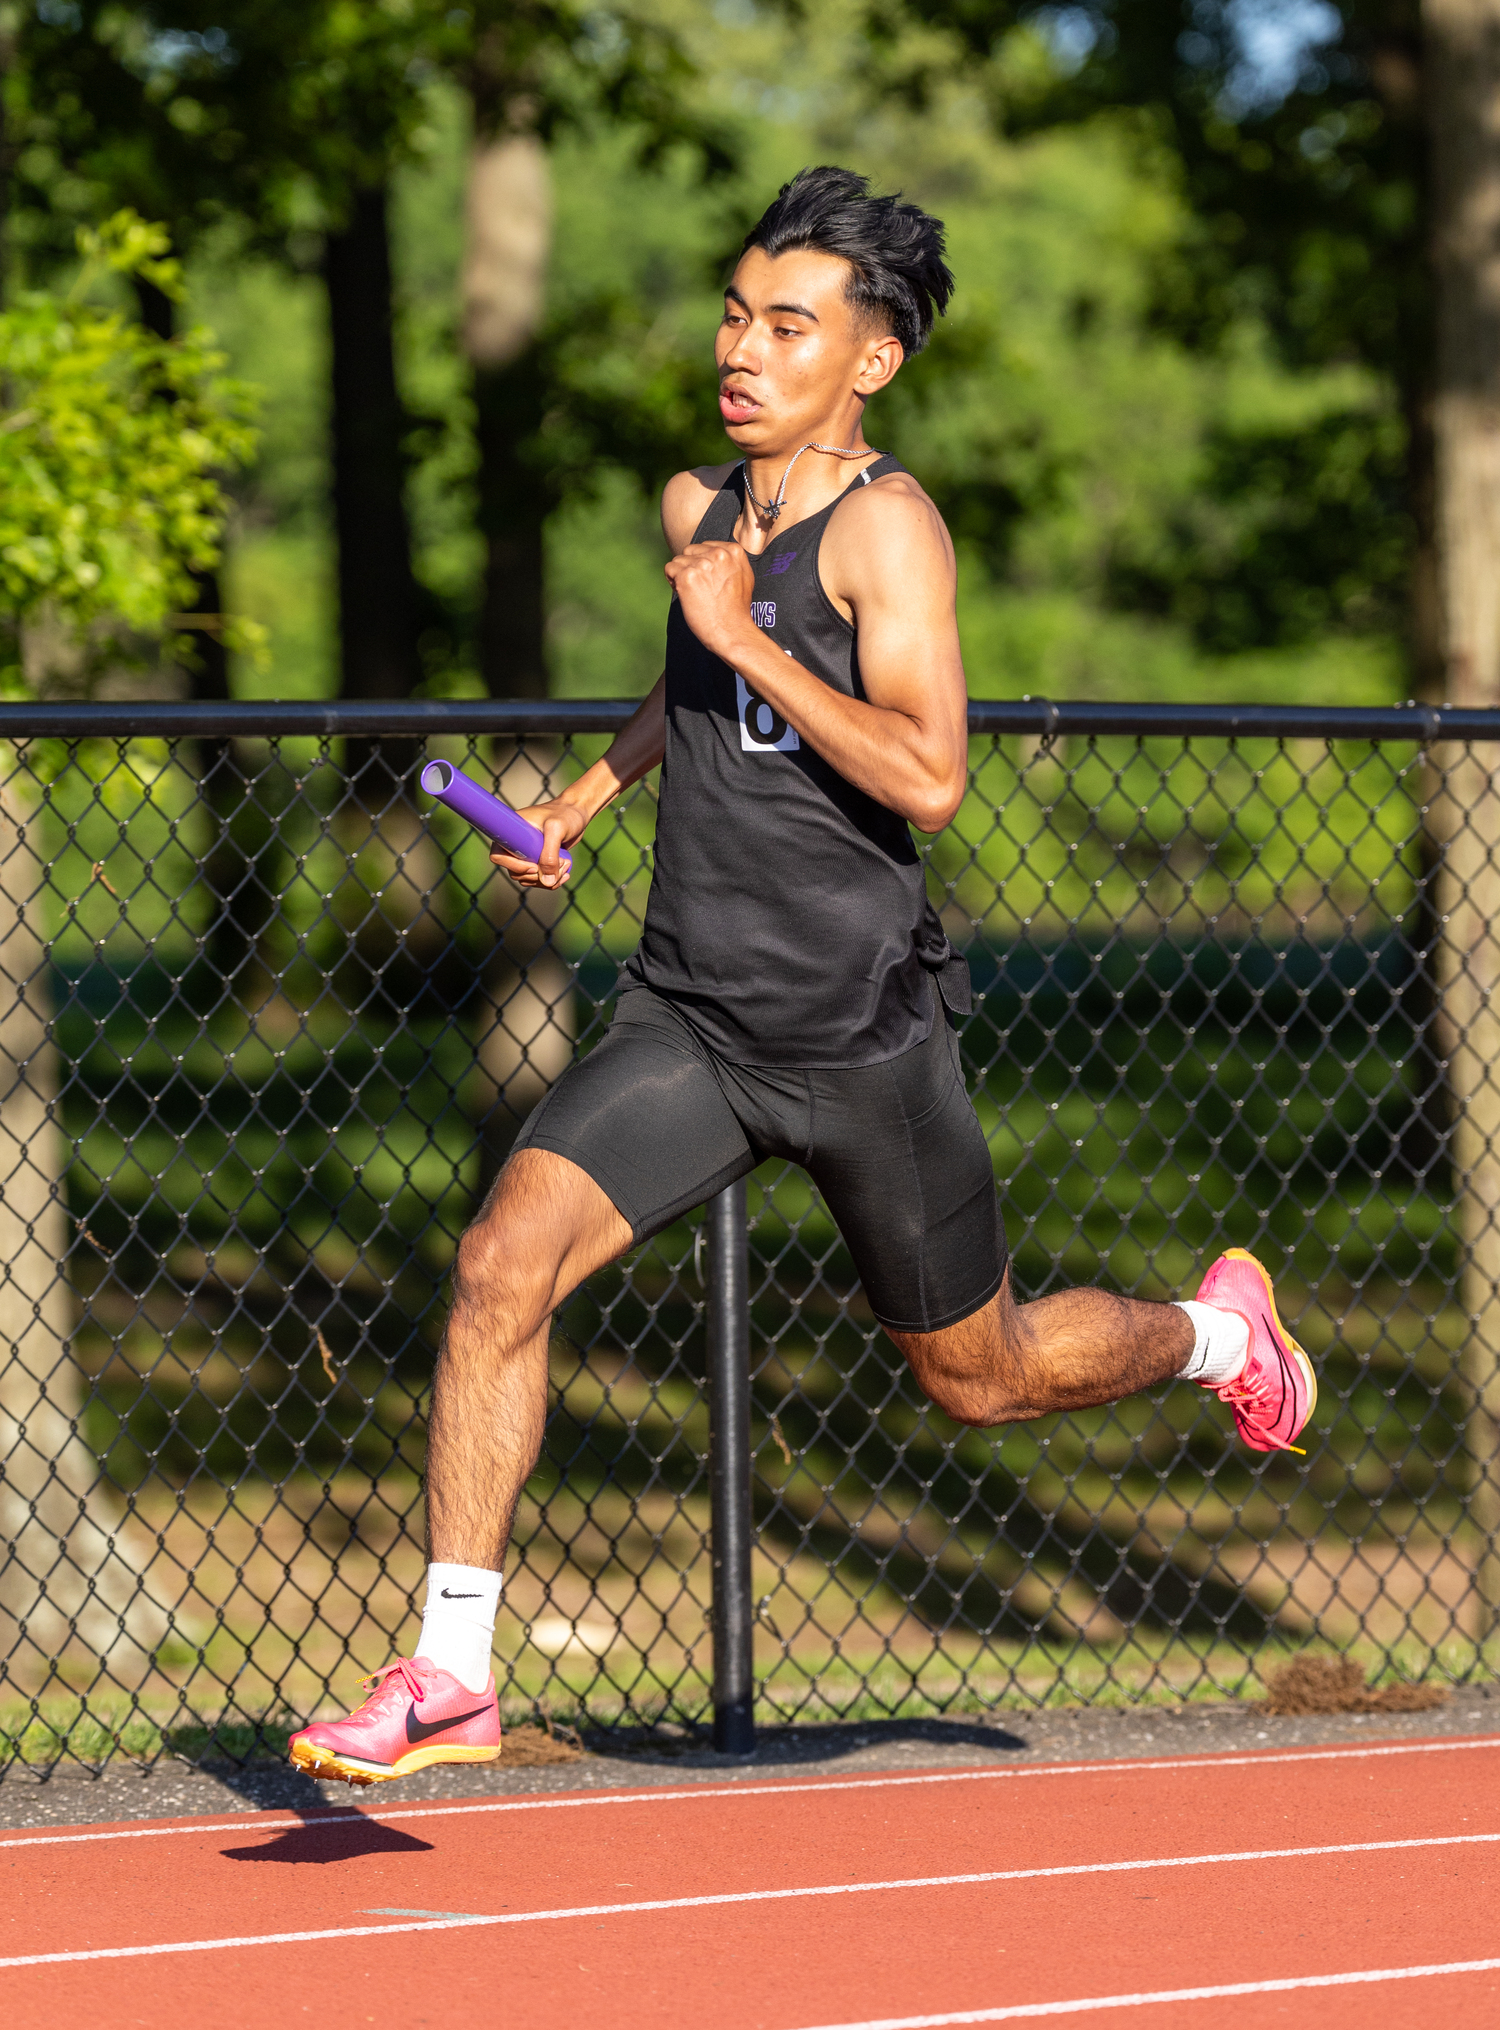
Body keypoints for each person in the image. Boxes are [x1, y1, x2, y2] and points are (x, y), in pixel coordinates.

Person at [289, 166, 1316, 1788]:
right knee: (499, 1265)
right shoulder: (707, 509)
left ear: (872, 361)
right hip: (690, 1020)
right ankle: (453, 1668)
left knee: (980, 1381)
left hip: (856, 1044)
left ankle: (1215, 1334)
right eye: (732, 313)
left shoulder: (891, 528)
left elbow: (930, 778)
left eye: (788, 323)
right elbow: (689, 671)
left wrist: (758, 638)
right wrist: (584, 796)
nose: (742, 349)